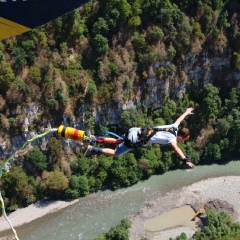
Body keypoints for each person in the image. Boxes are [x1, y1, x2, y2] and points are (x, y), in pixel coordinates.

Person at [86, 107, 195, 168]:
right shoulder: (172, 139)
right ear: (180, 136)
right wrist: (185, 159)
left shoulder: (174, 127)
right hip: (135, 140)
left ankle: (93, 138)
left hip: (134, 130)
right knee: (116, 153)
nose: (181, 141)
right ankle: (92, 149)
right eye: (183, 139)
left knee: (118, 140)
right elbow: (176, 149)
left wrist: (186, 112)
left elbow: (179, 119)